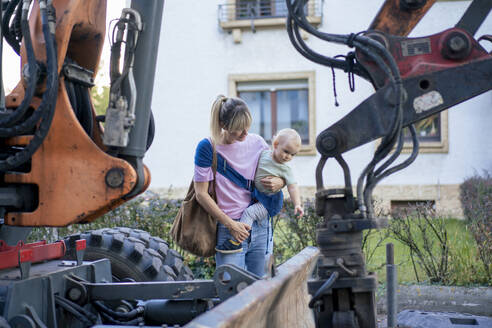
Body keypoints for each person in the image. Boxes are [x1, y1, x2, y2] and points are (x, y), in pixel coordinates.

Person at [194, 95, 284, 277]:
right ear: (224, 125)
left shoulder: (257, 142)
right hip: (230, 229)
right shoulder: (207, 148)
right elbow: (200, 194)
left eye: (247, 127)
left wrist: (279, 182)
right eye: (238, 130)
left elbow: (279, 171)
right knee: (230, 291)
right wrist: (231, 225)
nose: (245, 134)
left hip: (260, 225)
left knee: (262, 288)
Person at [216, 128, 304, 254]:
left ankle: (236, 242)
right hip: (257, 195)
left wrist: (297, 204)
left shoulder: (285, 169)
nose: (288, 157)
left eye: (292, 154)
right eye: (286, 151)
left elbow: (293, 186)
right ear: (275, 144)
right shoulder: (263, 154)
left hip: (269, 202)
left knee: (249, 213)